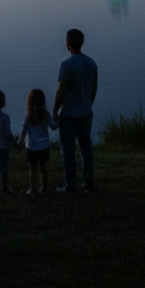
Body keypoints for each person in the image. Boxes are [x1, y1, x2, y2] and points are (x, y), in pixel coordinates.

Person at [53, 28, 98, 193]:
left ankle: (70, 185)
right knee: (86, 150)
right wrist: (88, 104)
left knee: (69, 152)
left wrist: (54, 110)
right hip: (86, 113)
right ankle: (88, 184)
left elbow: (61, 91)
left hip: (69, 115)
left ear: (68, 44)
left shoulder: (66, 65)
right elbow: (94, 88)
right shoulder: (91, 63)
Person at [18, 88, 59, 194]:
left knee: (33, 169)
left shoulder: (28, 116)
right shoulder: (46, 115)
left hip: (31, 147)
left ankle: (33, 188)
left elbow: (23, 131)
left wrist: (19, 143)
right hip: (44, 147)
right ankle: (44, 188)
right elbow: (54, 126)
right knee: (43, 167)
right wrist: (58, 118)